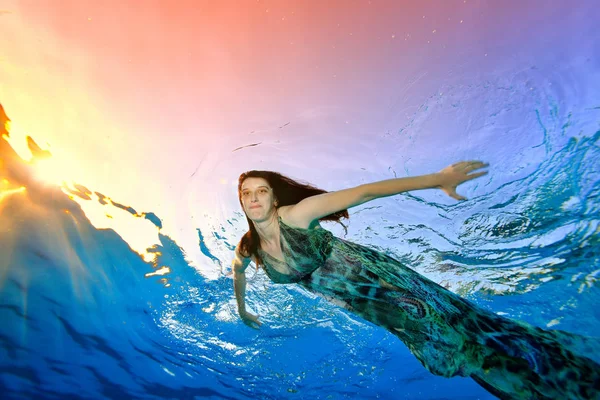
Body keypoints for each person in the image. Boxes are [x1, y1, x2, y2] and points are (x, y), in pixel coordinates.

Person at [231, 161, 599, 399]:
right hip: (363, 303)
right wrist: (243, 310)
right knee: (452, 348)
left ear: (275, 196)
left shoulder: (295, 216)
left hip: (381, 279)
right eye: (246, 194)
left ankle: (569, 379)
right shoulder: (250, 247)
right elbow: (238, 271)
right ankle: (554, 381)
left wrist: (438, 179)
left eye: (261, 190)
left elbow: (364, 192)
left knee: (453, 335)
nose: (253, 198)